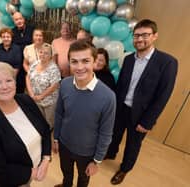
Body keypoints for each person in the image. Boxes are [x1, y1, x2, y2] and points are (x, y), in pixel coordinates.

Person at [105, 19, 178, 185]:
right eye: (136, 35)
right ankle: (110, 153)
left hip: (141, 114)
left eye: (145, 35)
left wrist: (148, 121)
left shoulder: (167, 62)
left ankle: (125, 169)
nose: (139, 39)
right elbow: (121, 85)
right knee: (114, 134)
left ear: (154, 36)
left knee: (133, 144)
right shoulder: (129, 59)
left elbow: (163, 96)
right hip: (121, 107)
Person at [0, 62, 51, 187]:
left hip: (37, 167)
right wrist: (32, 173)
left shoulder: (26, 100)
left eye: (9, 80)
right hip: (15, 180)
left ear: (15, 83)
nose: (5, 87)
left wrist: (46, 158)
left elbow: (45, 130)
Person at [53, 40, 116, 187]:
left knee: (83, 179)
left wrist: (97, 161)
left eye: (85, 61)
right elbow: (59, 113)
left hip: (87, 152)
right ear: (69, 63)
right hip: (64, 144)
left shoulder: (108, 97)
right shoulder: (65, 84)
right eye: (74, 61)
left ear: (94, 62)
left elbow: (106, 133)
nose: (80, 67)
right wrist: (56, 138)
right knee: (66, 173)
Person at [26, 43, 61, 129]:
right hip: (35, 99)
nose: (43, 55)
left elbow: (55, 86)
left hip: (49, 101)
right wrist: (31, 93)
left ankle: (49, 138)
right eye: (41, 52)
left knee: (49, 123)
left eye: (46, 53)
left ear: (50, 55)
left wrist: (41, 96)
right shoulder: (35, 63)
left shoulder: (53, 68)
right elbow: (28, 77)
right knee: (39, 119)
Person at [0, 28, 23, 93]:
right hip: (0, 78)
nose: (6, 39)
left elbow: (17, 65)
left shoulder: (17, 48)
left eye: (8, 37)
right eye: (3, 37)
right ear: (1, 37)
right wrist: (2, 79)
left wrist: (10, 79)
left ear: (11, 37)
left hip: (15, 78)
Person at [12, 11, 35, 93]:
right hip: (18, 65)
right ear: (14, 21)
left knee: (33, 87)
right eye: (16, 19)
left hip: (31, 63)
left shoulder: (32, 29)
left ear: (24, 19)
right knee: (20, 88)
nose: (19, 21)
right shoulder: (12, 32)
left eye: (20, 18)